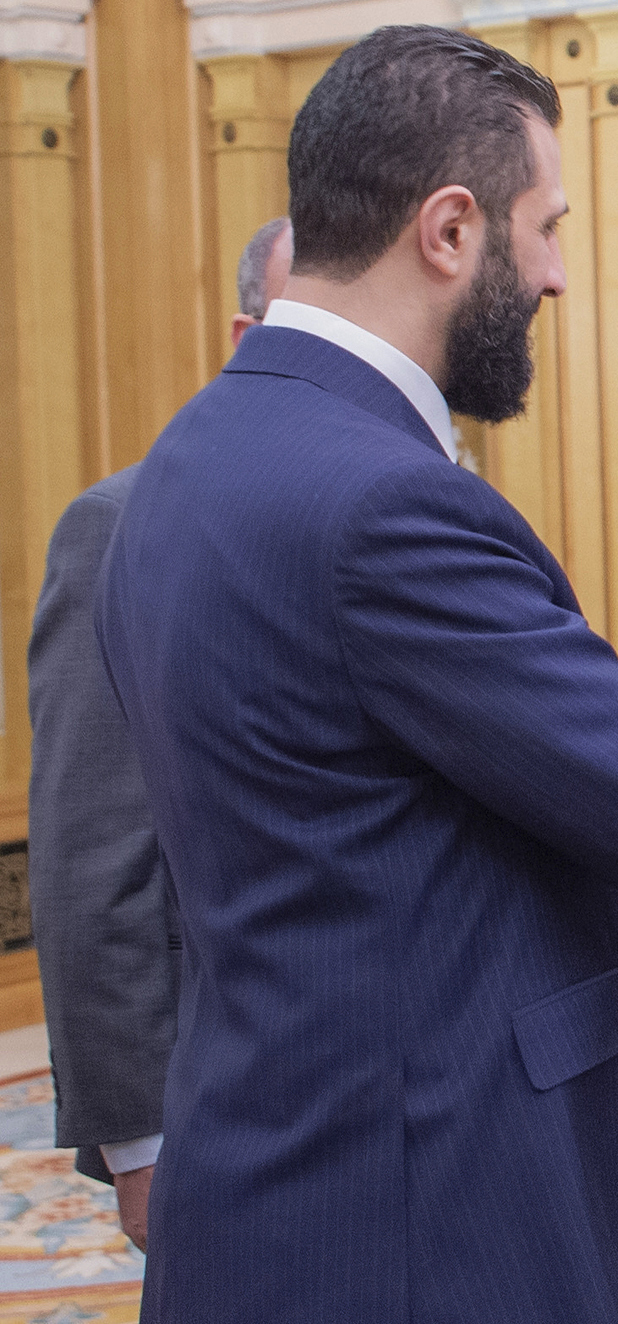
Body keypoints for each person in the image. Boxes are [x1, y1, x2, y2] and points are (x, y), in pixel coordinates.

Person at [94, 27, 618, 1323]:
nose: (555, 277)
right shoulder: (383, 504)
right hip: (423, 1218)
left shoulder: (182, 465)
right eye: (543, 227)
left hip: (273, 1177)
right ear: (450, 230)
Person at [27, 214, 295, 1253]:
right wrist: (140, 1145)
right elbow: (92, 863)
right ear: (246, 334)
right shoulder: (121, 528)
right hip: (224, 1093)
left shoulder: (438, 515)